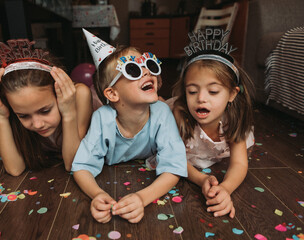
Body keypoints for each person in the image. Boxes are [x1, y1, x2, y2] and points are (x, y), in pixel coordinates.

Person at [71, 29, 188, 224]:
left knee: (166, 104)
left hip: (162, 110)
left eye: (149, 65)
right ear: (113, 94)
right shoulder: (102, 118)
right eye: (133, 70)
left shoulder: (161, 113)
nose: (146, 72)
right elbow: (82, 166)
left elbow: (174, 166)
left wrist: (142, 198)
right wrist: (97, 194)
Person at [172, 30, 255, 218]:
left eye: (213, 92)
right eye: (192, 91)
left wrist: (225, 188)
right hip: (174, 114)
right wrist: (201, 180)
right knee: (157, 108)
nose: (201, 99)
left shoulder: (233, 118)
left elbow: (240, 163)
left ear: (232, 94)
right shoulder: (180, 114)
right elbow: (174, 158)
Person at [0, 39, 92, 176]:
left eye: (45, 111)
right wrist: (1, 117)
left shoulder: (79, 95)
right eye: (23, 116)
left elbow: (72, 164)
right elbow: (15, 169)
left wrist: (69, 113)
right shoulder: (12, 109)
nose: (37, 124)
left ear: (58, 93)